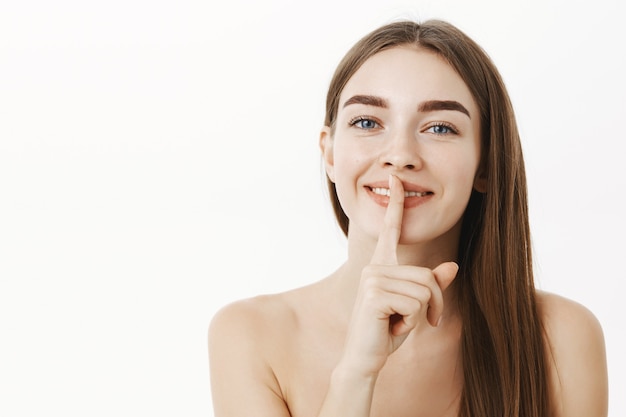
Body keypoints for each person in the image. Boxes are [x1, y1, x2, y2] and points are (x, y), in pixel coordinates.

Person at [208, 19, 608, 417]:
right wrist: (356, 373)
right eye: (366, 122)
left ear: (485, 165)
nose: (399, 155)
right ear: (329, 155)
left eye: (439, 127)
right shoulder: (250, 336)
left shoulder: (561, 338)